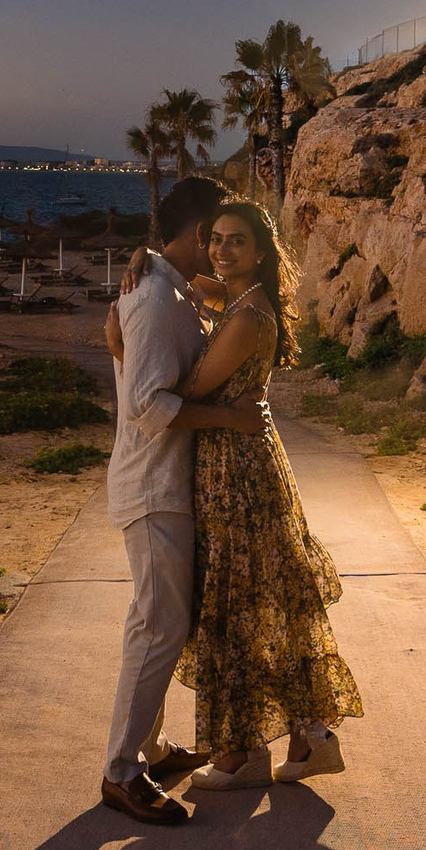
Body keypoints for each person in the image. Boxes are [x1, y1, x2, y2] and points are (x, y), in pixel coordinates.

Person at [163, 198, 361, 787]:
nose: (223, 250)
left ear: (261, 251)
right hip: (236, 462)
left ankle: (243, 751)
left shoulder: (248, 316)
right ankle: (303, 740)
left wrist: (124, 347)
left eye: (237, 242)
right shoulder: (240, 302)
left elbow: (185, 388)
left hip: (239, 472)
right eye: (215, 239)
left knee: (243, 606)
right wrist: (157, 270)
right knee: (256, 605)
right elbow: (206, 293)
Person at [97, 176, 264, 827]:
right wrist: (227, 417)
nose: (218, 247)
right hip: (151, 488)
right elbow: (146, 405)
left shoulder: (163, 290)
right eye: (214, 234)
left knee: (162, 622)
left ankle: (150, 749)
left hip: (164, 487)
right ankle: (120, 770)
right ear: (199, 232)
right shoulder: (157, 299)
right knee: (157, 625)